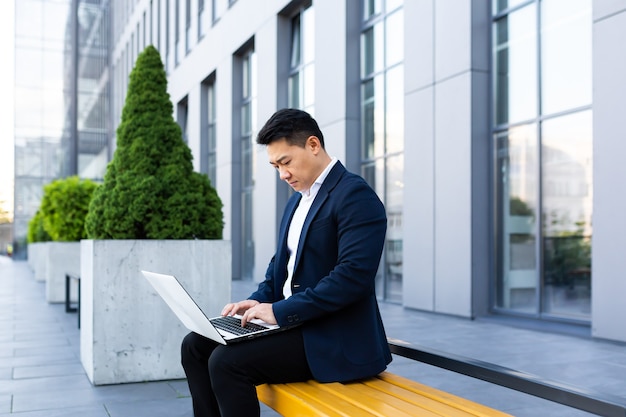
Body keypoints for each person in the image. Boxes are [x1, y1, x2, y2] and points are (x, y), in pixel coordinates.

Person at [181, 108, 391, 417]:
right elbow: (281, 266)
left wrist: (278, 311)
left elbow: (352, 278)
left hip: (332, 336)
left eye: (285, 162)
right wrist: (255, 301)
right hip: (296, 326)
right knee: (195, 345)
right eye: (275, 166)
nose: (282, 174)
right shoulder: (297, 200)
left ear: (313, 145)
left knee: (226, 363)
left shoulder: (355, 196)